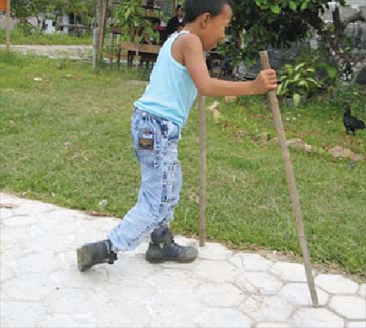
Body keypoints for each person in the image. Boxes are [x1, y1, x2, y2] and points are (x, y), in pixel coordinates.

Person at [76, 0, 277, 272]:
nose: (223, 35)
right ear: (206, 20)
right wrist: (253, 86)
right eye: (224, 27)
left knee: (169, 184)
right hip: (157, 127)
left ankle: (160, 242)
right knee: (157, 196)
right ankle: (107, 247)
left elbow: (195, 80)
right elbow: (205, 85)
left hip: (151, 126)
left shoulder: (178, 39)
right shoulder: (190, 41)